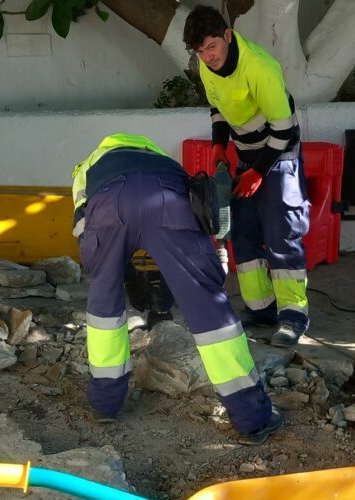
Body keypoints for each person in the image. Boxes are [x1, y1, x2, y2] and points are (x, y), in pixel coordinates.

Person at [70, 132, 283, 444]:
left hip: (109, 204)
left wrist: (118, 274)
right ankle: (252, 417)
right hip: (168, 200)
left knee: (104, 309)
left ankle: (104, 403)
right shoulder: (164, 162)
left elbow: (83, 231)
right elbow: (200, 213)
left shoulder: (87, 167)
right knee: (210, 309)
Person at [183, 6, 310, 347]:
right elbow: (218, 108)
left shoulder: (260, 67)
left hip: (279, 152)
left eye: (212, 47)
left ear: (227, 36)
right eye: (200, 51)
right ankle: (260, 309)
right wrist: (218, 146)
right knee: (243, 230)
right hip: (246, 154)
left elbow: (284, 130)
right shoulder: (207, 66)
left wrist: (258, 172)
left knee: (282, 231)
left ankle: (293, 316)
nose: (207, 57)